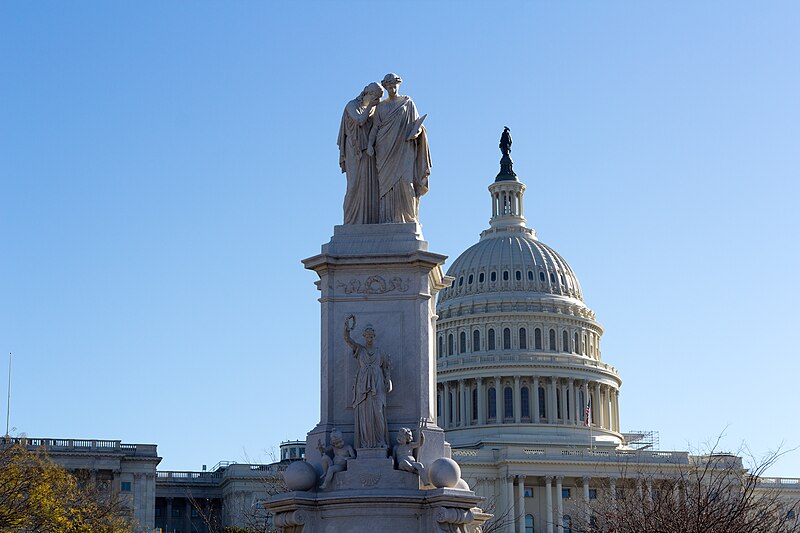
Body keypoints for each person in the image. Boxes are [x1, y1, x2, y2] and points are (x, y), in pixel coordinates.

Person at [367, 73, 431, 224]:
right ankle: (387, 218)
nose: (392, 88)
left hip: (405, 147)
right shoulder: (381, 107)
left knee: (405, 181)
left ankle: (409, 218)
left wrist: (417, 132)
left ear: (399, 85)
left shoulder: (408, 103)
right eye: (389, 86)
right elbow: (375, 128)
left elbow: (418, 125)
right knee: (385, 187)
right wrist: (370, 144)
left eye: (394, 85)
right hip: (384, 149)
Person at [337, 83, 384, 224]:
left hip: (368, 152)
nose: (377, 99)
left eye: (379, 97)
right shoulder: (351, 105)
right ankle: (350, 221)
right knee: (354, 185)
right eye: (375, 95)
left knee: (369, 187)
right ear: (367, 93)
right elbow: (359, 120)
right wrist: (371, 107)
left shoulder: (374, 110)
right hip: (354, 150)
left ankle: (368, 221)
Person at [344, 315, 392, 448]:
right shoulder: (360, 350)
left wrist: (388, 380)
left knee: (378, 412)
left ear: (374, 337)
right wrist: (347, 328)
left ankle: (380, 440)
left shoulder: (380, 352)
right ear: (364, 337)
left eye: (371, 337)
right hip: (363, 383)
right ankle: (366, 442)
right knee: (364, 414)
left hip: (378, 382)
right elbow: (348, 340)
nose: (369, 339)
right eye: (367, 336)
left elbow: (387, 367)